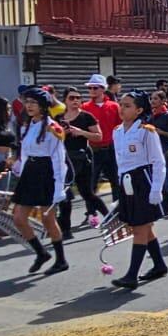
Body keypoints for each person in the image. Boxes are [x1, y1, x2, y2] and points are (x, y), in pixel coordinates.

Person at [109, 90, 168, 290]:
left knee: (140, 229)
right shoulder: (117, 131)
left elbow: (158, 161)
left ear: (139, 110)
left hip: (142, 181)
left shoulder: (146, 131)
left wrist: (156, 190)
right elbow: (120, 161)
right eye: (121, 104)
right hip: (126, 182)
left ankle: (131, 275)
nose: (122, 109)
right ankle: (159, 265)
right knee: (142, 227)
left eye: (127, 106)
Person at [8, 88, 69, 274]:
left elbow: (59, 159)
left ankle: (61, 259)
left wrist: (59, 187)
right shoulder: (25, 126)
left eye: (33, 103)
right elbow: (25, 152)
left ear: (43, 106)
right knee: (18, 218)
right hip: (30, 172)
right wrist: (19, 167)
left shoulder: (53, 128)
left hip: (47, 172)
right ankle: (41, 252)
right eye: (27, 102)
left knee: (47, 218)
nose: (29, 106)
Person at [55, 87, 107, 235]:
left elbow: (98, 136)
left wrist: (81, 132)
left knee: (87, 193)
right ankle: (65, 229)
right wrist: (63, 133)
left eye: (78, 98)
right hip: (63, 159)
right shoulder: (58, 118)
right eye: (72, 98)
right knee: (65, 194)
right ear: (65, 100)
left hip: (82, 157)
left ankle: (110, 218)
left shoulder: (86, 117)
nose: (75, 101)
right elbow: (51, 138)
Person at [81, 74, 123, 205]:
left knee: (115, 181)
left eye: (96, 88)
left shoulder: (114, 106)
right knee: (91, 183)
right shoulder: (84, 108)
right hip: (93, 150)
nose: (92, 90)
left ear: (103, 89)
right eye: (90, 88)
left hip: (111, 148)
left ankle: (118, 210)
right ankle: (92, 212)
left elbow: (121, 127)